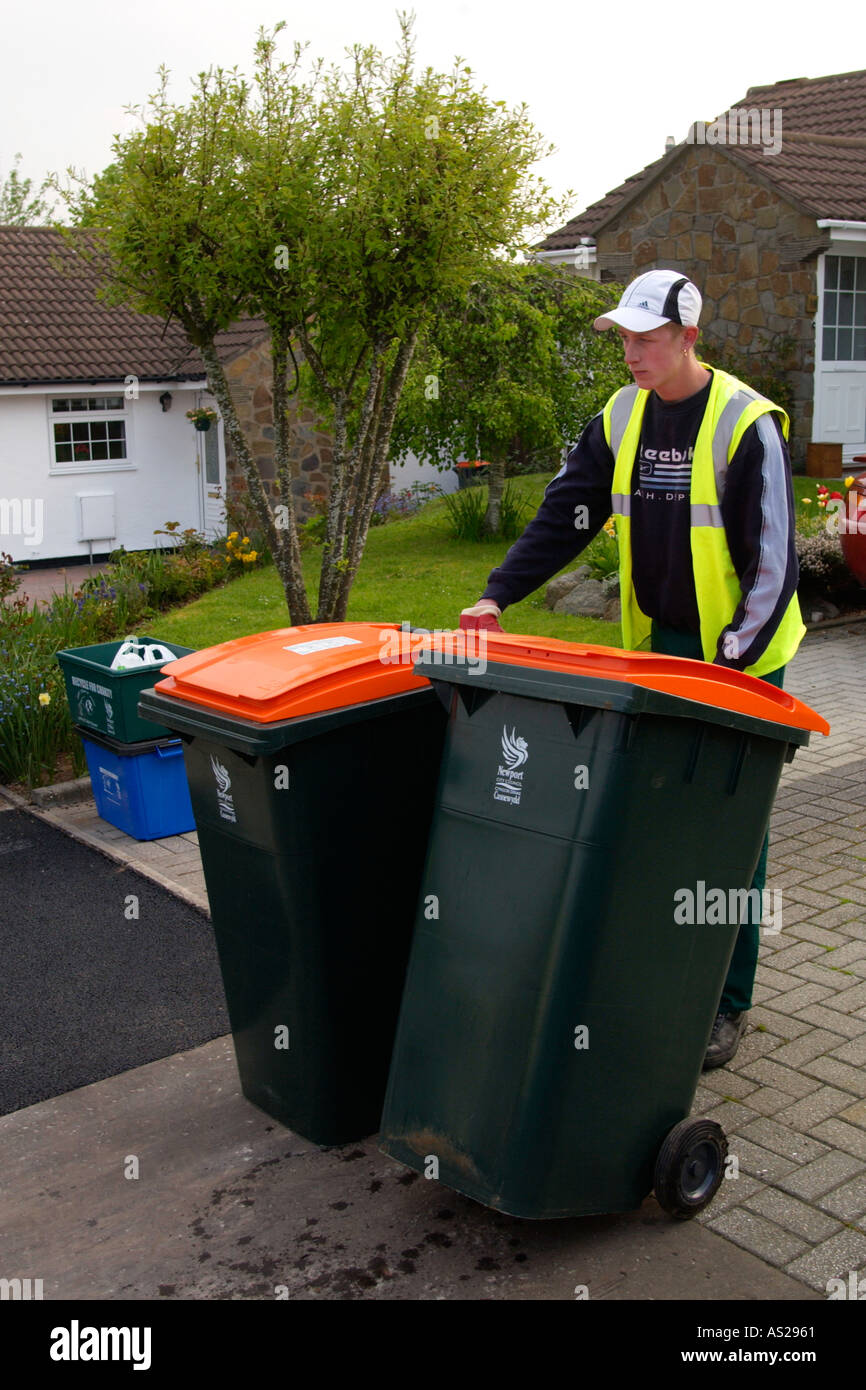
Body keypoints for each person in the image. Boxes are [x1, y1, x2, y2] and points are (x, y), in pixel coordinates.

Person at [460, 267, 805, 1070]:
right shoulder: (621, 416)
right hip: (659, 649)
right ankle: (661, 974)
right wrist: (497, 593)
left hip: (743, 658)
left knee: (728, 831)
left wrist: (734, 669)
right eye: (623, 338)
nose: (631, 354)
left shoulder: (745, 424)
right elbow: (567, 512)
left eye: (646, 339)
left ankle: (725, 1002)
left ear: (689, 337)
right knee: (654, 818)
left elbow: (774, 561)